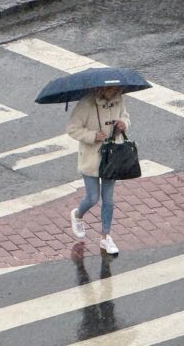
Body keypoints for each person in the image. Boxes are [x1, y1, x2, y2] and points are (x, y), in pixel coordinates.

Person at [66, 86, 130, 254]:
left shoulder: (118, 99)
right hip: (91, 158)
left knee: (108, 199)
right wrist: (92, 135)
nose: (112, 92)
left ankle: (105, 237)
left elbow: (125, 116)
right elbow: (72, 129)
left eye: (115, 88)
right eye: (109, 88)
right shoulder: (86, 104)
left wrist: (123, 124)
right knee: (93, 197)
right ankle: (78, 215)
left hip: (111, 156)